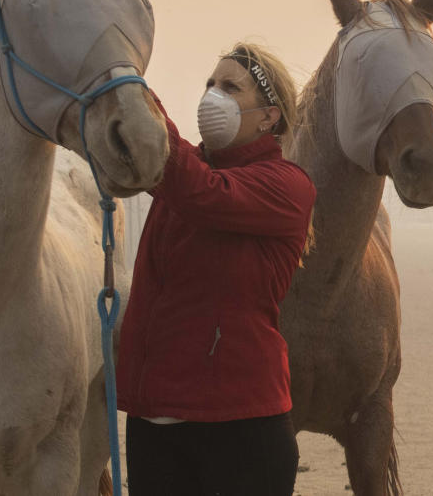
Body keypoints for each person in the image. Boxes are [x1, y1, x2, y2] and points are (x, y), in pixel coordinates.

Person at [117, 43, 317, 496]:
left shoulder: (287, 185)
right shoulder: (185, 172)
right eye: (210, 84)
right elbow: (156, 165)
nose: (212, 95)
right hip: (155, 421)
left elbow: (203, 192)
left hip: (241, 427)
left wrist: (132, 89)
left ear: (269, 116)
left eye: (230, 87)